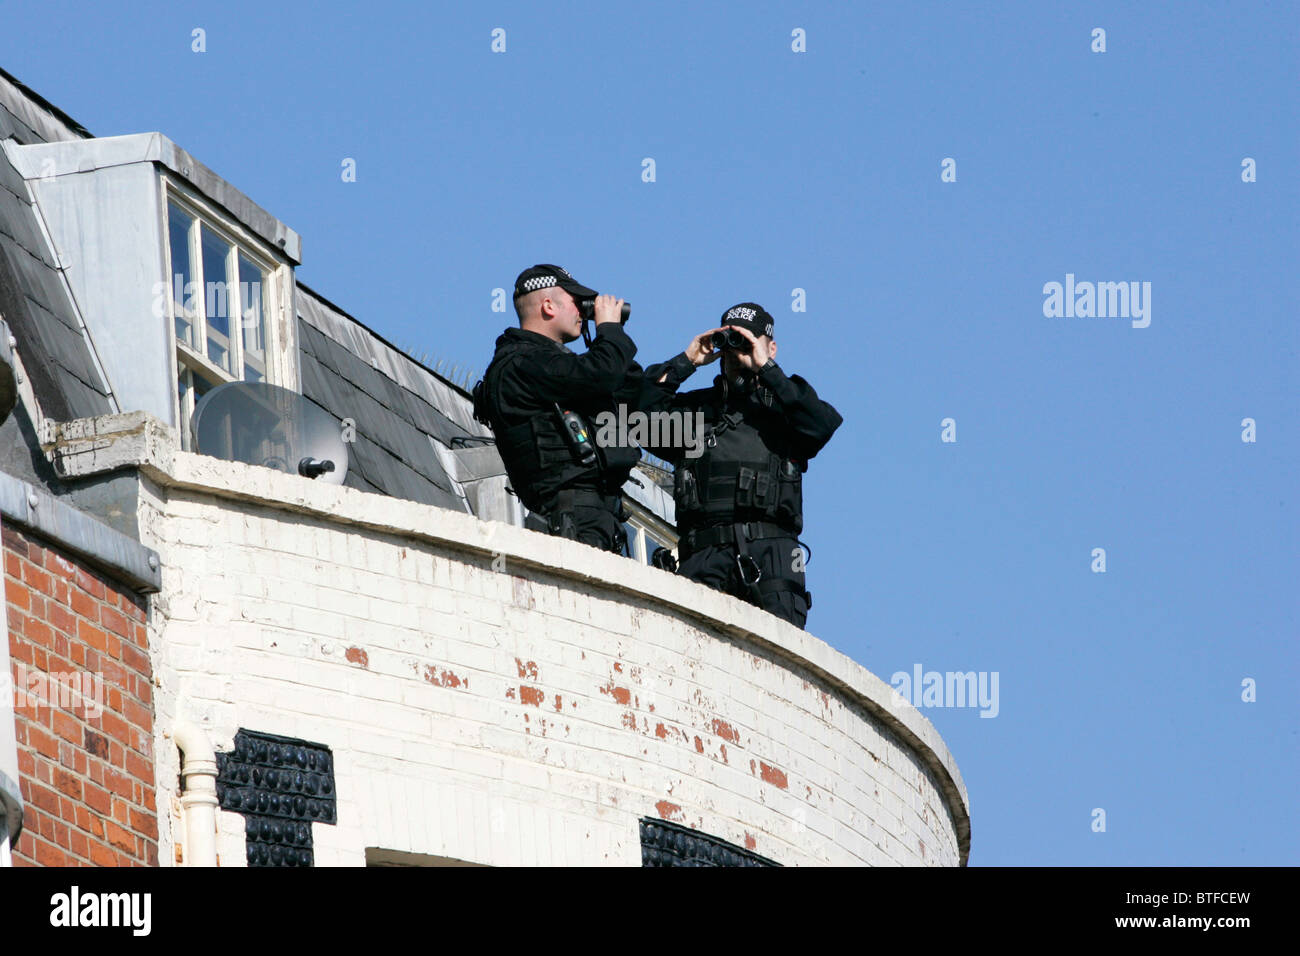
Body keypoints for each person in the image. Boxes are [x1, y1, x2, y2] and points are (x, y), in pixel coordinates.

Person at [641, 303, 842, 628]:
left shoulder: (787, 410)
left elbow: (820, 425)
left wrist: (766, 367)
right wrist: (687, 360)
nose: (738, 349)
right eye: (731, 339)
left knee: (780, 662)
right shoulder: (695, 414)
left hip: (772, 554)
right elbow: (635, 420)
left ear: (771, 346)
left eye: (748, 339)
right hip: (703, 554)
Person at [473, 264, 642, 554]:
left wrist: (684, 363)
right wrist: (609, 330)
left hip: (593, 518)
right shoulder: (521, 363)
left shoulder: (550, 365)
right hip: (571, 517)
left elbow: (629, 388)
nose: (583, 311)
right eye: (577, 303)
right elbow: (602, 372)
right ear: (548, 306)